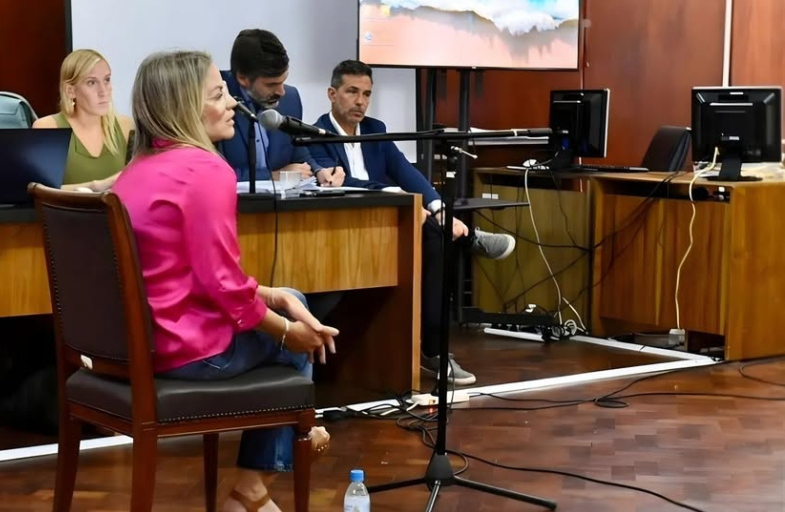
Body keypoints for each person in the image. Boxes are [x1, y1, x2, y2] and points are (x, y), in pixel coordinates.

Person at [112, 50, 336, 512]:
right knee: (295, 339)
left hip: (136, 345)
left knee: (290, 298)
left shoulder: (136, 170)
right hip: (187, 352)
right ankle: (253, 485)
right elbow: (223, 288)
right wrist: (288, 332)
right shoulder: (207, 170)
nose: (232, 102)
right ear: (185, 108)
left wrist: (273, 297)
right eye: (218, 94)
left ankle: (262, 476)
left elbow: (194, 273)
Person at [309, 60, 518, 385]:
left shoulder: (376, 129)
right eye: (352, 92)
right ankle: (469, 241)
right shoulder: (315, 136)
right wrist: (399, 196)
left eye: (367, 94)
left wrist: (438, 208)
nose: (361, 101)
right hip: (347, 231)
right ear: (332, 94)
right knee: (433, 233)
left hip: (391, 224)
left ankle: (435, 350)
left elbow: (405, 171)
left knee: (435, 231)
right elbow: (344, 184)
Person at [216, 29, 340, 183]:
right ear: (243, 78)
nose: (281, 92)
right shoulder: (215, 100)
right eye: (271, 84)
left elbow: (298, 153)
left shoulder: (291, 98)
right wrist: (273, 175)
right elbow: (213, 172)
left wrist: (319, 171)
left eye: (283, 81)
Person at [34, 49, 133, 192]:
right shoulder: (48, 127)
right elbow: (40, 191)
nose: (104, 91)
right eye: (91, 82)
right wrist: (95, 186)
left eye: (107, 80)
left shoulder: (125, 126)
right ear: (70, 91)